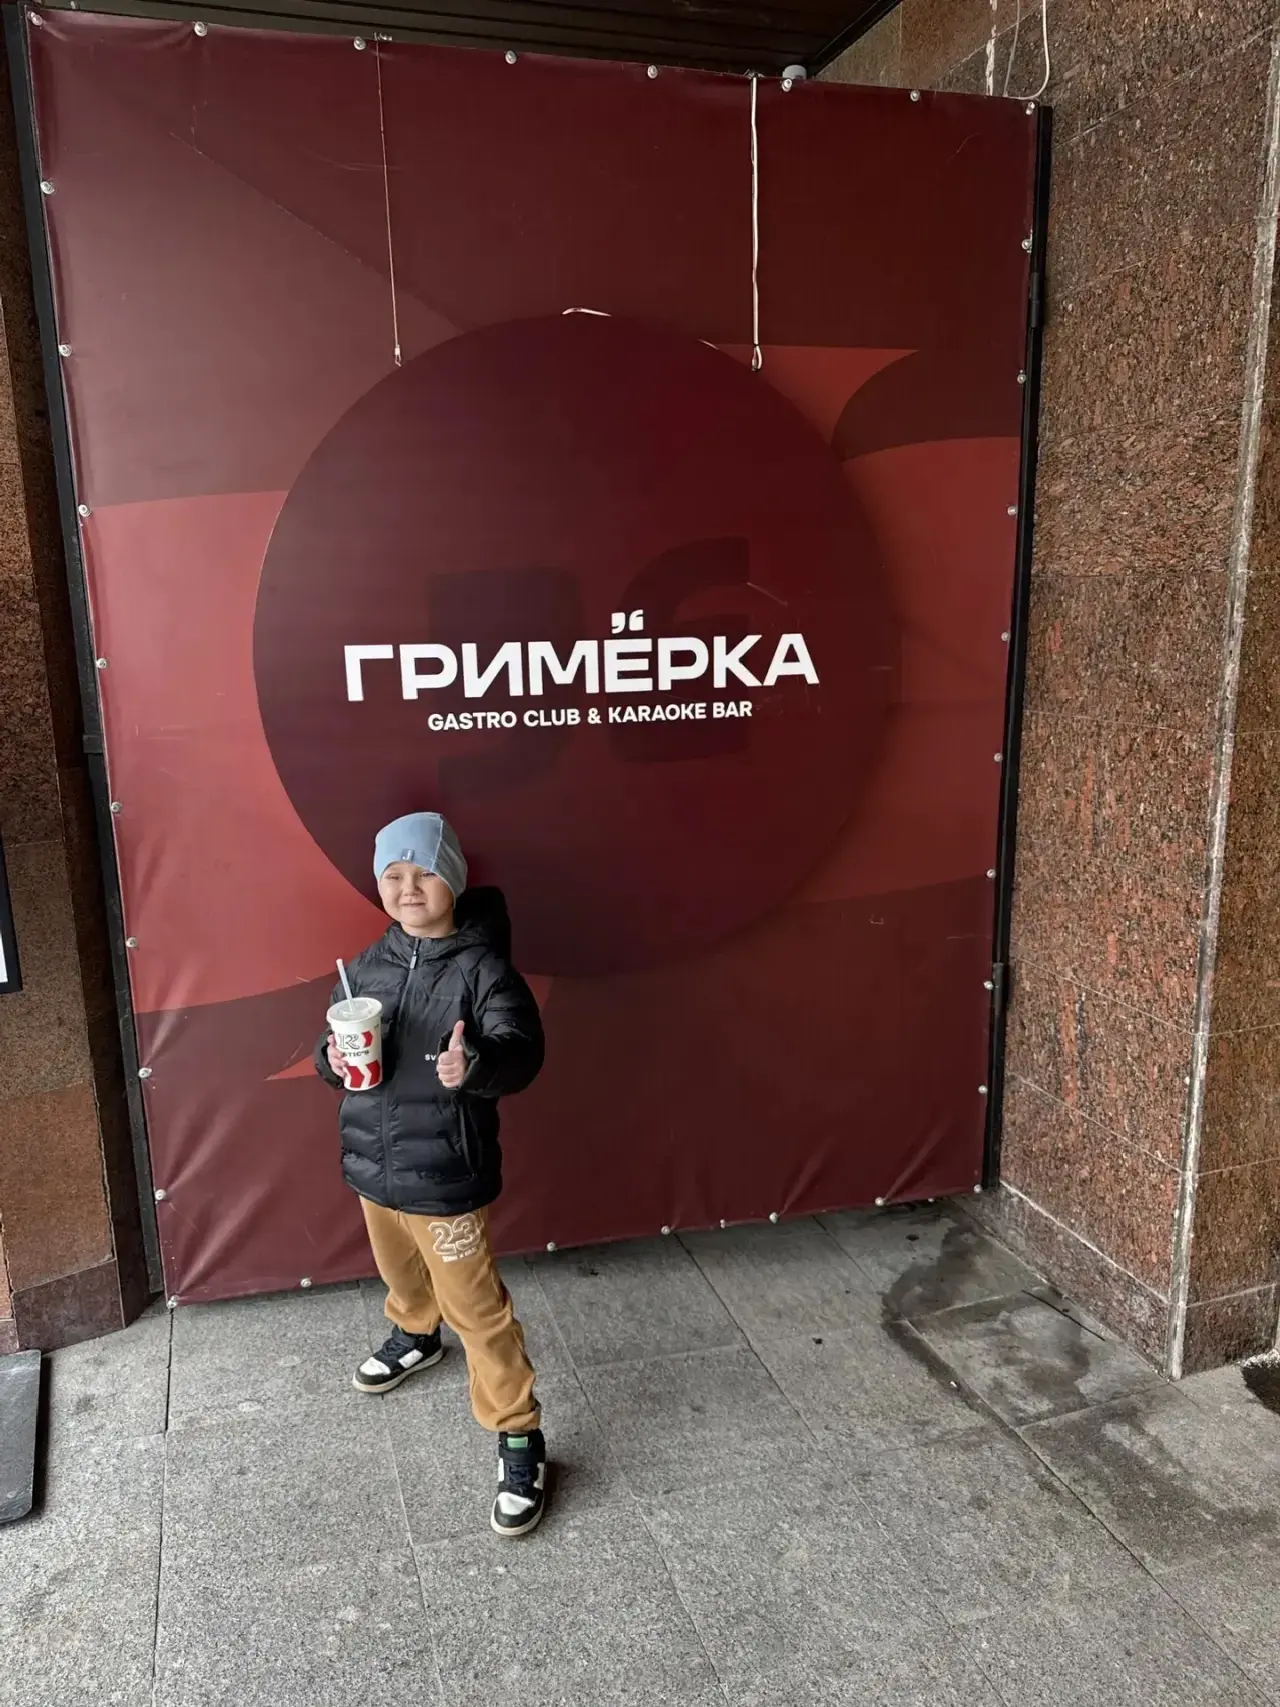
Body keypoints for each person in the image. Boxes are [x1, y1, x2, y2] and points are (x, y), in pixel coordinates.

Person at [314, 811, 548, 1537]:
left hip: (446, 1171)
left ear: (454, 880)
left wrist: (474, 1063)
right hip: (373, 1162)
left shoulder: (483, 969)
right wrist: (333, 1058)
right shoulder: (366, 964)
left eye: (424, 873)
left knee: (477, 1309)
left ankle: (518, 1434)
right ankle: (417, 1333)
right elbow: (331, 1050)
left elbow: (523, 1050)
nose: (409, 888)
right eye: (394, 875)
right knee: (400, 1271)